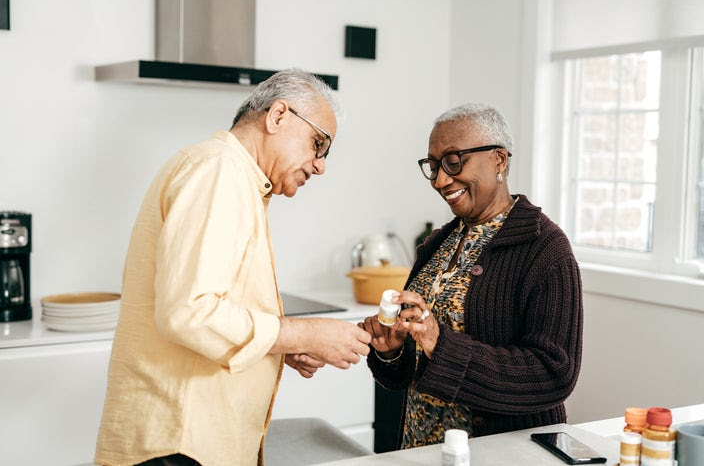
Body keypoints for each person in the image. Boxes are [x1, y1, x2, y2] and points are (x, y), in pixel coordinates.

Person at [95, 69, 372, 466]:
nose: (320, 165)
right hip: (179, 445)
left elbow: (209, 305)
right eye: (318, 144)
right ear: (277, 116)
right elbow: (189, 312)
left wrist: (286, 344)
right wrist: (303, 332)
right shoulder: (219, 170)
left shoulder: (231, 174)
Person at [359, 103, 583, 448]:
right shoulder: (437, 244)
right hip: (423, 449)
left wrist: (440, 344)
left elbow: (553, 374)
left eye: (453, 161)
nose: (440, 180)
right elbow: (410, 373)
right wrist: (393, 351)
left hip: (501, 454)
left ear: (499, 160)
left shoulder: (545, 249)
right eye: (432, 166)